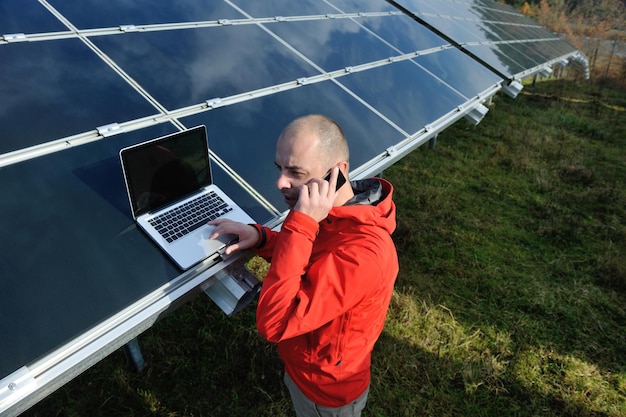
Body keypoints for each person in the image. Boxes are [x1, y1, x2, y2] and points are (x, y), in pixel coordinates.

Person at [209, 114, 399, 417]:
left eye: (296, 172)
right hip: (304, 363)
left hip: (325, 391)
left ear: (337, 173)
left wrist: (302, 224)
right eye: (279, 168)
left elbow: (274, 323)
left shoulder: (362, 254)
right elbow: (307, 257)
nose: (280, 182)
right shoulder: (333, 216)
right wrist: (261, 237)